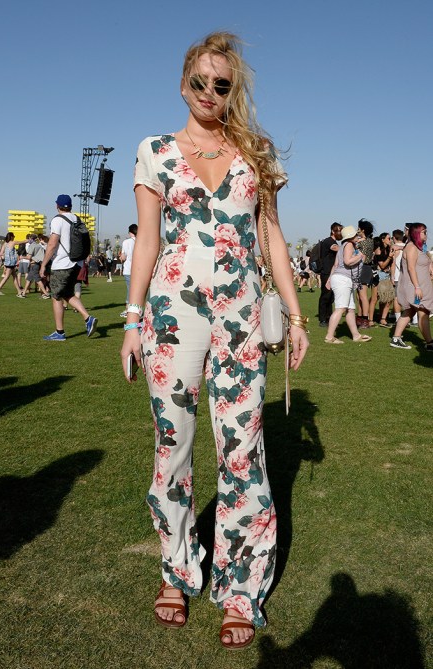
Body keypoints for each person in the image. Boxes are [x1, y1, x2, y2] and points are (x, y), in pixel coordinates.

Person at [120, 31, 309, 650]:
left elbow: (272, 237)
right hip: (172, 317)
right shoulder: (154, 152)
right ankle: (178, 569)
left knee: (242, 449)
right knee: (172, 446)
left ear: (233, 90)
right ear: (183, 84)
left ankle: (240, 589)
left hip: (242, 318)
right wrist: (131, 320)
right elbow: (147, 241)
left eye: (221, 84)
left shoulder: (255, 152)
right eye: (199, 81)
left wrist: (297, 316)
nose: (208, 91)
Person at [39, 194, 97, 341]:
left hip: (62, 264)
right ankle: (88, 318)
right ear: (70, 206)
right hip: (77, 263)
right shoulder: (77, 219)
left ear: (57, 205)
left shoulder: (57, 220)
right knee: (67, 293)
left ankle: (60, 332)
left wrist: (44, 264)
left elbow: (52, 244)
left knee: (56, 296)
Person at [324, 225, 372, 344]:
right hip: (343, 279)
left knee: (350, 309)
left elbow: (336, 265)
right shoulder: (349, 245)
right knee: (341, 308)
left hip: (342, 279)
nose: (358, 236)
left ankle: (356, 335)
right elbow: (347, 261)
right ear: (351, 236)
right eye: (356, 234)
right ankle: (329, 337)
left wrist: (329, 280)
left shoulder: (343, 246)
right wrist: (359, 256)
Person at [390, 223, 433, 350]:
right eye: (424, 232)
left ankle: (396, 338)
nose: (426, 234)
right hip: (416, 287)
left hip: (420, 286)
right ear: (416, 233)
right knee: (423, 312)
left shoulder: (419, 247)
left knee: (410, 311)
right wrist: (417, 287)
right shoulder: (412, 247)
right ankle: (430, 343)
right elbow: (411, 268)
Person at [318, 223, 343, 326]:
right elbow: (336, 248)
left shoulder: (334, 242)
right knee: (326, 295)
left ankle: (328, 317)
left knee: (331, 297)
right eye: (339, 231)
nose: (341, 233)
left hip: (333, 272)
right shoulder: (328, 241)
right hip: (326, 272)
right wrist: (349, 245)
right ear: (333, 231)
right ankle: (322, 319)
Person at [119, 224, 138, 317]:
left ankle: (128, 310)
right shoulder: (140, 241)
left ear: (130, 232)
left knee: (130, 290)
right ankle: (137, 310)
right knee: (137, 290)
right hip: (138, 270)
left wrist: (121, 258)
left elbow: (123, 257)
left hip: (129, 269)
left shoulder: (126, 242)